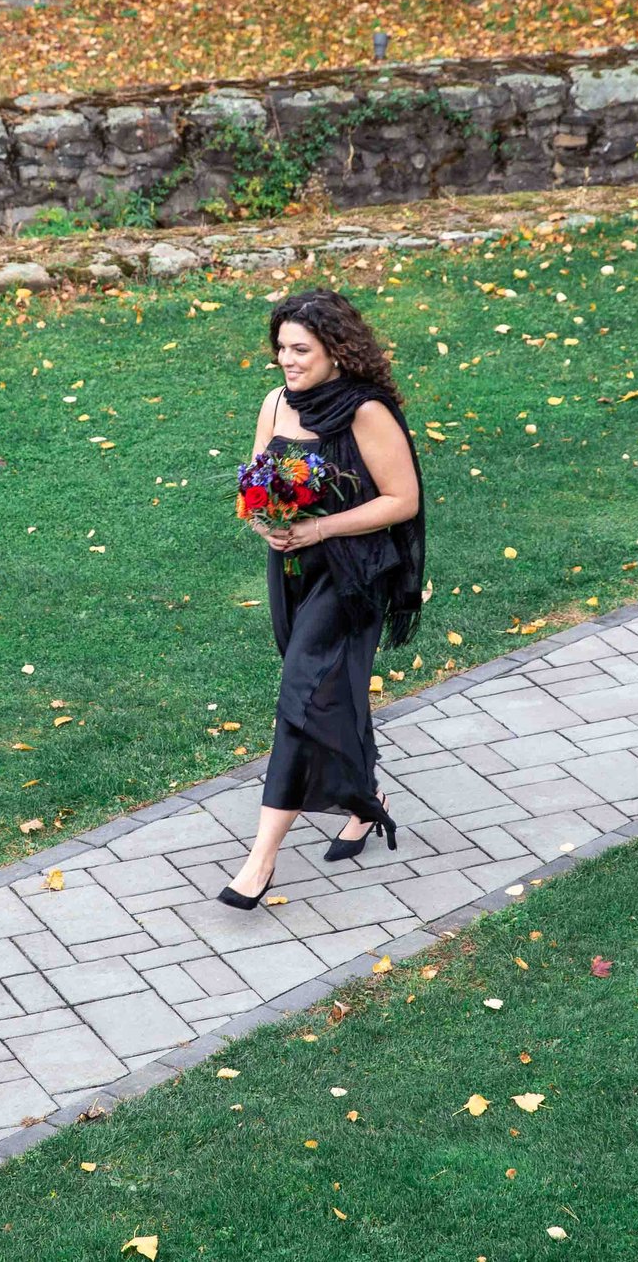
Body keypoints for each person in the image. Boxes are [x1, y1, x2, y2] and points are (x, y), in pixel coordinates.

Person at [219, 287, 427, 910]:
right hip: (291, 573)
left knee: (301, 695)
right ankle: (365, 799)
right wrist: (266, 522)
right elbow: (254, 484)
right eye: (281, 347)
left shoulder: (366, 412)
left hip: (354, 574)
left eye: (301, 348)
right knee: (326, 691)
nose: (287, 359)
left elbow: (402, 500)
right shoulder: (276, 403)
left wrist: (319, 527)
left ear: (336, 351)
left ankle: (260, 861)